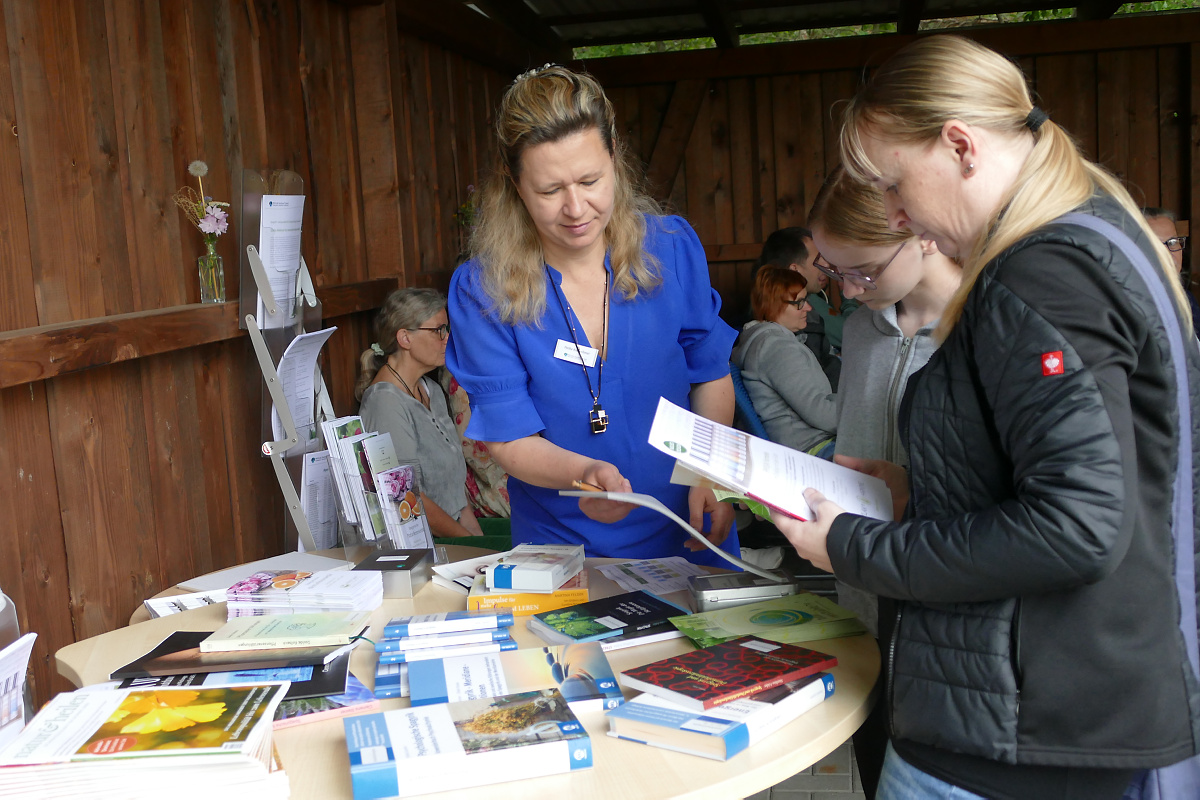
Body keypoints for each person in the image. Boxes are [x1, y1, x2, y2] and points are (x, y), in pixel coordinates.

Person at [773, 35, 1200, 800]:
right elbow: (1090, 472)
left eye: (894, 183)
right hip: (1058, 708)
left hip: (1022, 729)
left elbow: (1075, 525)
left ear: (961, 146)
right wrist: (915, 493)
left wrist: (855, 545)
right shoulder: (1096, 232)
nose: (897, 212)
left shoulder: (1040, 272)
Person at [445, 64, 739, 567]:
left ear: (615, 160)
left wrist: (709, 472)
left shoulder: (670, 248)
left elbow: (711, 375)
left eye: (590, 180)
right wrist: (584, 473)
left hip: (690, 528)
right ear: (515, 186)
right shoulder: (483, 289)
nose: (576, 208)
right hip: (561, 549)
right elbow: (509, 437)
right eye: (550, 190)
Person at [806, 167, 962, 799]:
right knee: (875, 764)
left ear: (920, 232)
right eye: (834, 271)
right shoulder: (866, 330)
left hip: (944, 612)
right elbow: (853, 448)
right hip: (865, 595)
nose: (847, 289)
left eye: (863, 270)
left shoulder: (978, 327)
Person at [355, 288, 484, 539]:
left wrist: (478, 542)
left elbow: (456, 496)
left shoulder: (431, 390)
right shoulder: (384, 402)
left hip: (454, 534)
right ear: (405, 338)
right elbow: (407, 496)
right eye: (439, 330)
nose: (447, 339)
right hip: (419, 545)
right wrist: (468, 544)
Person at [731, 266, 837, 457]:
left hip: (807, 445)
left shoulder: (764, 342)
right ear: (773, 305)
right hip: (814, 449)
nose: (809, 307)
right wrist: (863, 410)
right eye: (800, 303)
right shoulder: (777, 348)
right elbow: (822, 414)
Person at [1144, 206, 1200, 339]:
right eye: (1155, 245)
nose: (1168, 254)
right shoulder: (1126, 306)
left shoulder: (1185, 298)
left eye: (1173, 242)